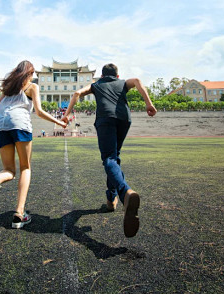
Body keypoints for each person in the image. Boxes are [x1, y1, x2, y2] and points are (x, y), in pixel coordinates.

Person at [0, 60, 68, 229]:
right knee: (25, 168)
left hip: (1, 124)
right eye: (33, 74)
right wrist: (59, 122)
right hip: (19, 123)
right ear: (29, 74)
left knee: (8, 169)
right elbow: (39, 112)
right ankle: (19, 214)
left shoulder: (8, 89)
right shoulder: (32, 87)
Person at [62, 63, 156, 237]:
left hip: (105, 117)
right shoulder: (122, 83)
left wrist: (67, 114)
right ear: (117, 75)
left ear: (102, 76)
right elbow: (136, 80)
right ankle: (110, 199)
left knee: (109, 159)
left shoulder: (96, 85)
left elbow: (77, 93)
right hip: (124, 118)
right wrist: (148, 104)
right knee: (115, 157)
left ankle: (124, 193)